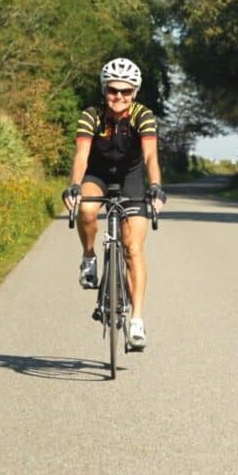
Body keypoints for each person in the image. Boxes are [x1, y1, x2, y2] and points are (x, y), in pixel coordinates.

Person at [61, 58, 166, 350]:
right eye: (113, 90)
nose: (119, 96)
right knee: (86, 209)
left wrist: (155, 187)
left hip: (131, 178)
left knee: (133, 247)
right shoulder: (91, 115)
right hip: (97, 175)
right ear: (104, 89)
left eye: (126, 91)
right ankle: (89, 257)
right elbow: (81, 155)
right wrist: (75, 185)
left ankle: (137, 320)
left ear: (135, 92)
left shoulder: (143, 115)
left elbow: (150, 156)